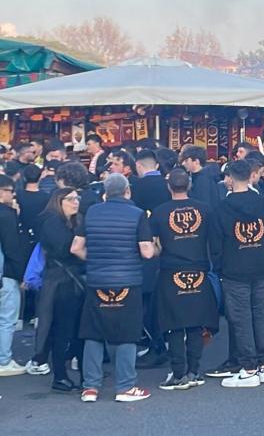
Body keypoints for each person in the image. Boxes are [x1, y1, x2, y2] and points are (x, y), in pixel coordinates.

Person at [70, 173, 157, 402]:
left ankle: (90, 387)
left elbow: (76, 248)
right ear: (128, 190)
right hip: (128, 282)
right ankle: (125, 386)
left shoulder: (91, 212)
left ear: (105, 193)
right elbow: (147, 251)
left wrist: (95, 259)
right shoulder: (137, 214)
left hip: (97, 281)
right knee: (128, 334)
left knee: (93, 333)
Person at [212, 159, 264, 389]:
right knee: (260, 314)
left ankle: (248, 366)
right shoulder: (263, 202)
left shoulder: (222, 208)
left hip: (234, 269)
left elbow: (216, 244)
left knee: (240, 318)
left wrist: (220, 267)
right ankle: (263, 364)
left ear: (230, 178)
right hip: (262, 265)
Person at [151, 169, 219, 389]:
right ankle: (193, 371)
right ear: (189, 185)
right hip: (198, 270)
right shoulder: (205, 209)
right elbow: (213, 241)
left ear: (168, 186)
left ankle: (178, 373)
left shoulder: (159, 212)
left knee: (173, 324)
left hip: (171, 271)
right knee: (196, 323)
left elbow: (155, 246)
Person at [34, 188, 86, 391]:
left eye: (77, 198)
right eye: (71, 199)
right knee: (62, 329)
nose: (76, 202)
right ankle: (60, 374)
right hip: (61, 281)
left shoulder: (74, 220)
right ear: (59, 201)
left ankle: (77, 373)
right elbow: (64, 248)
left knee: (75, 329)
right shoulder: (51, 221)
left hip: (72, 278)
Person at [0, 174, 24, 377]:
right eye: (9, 190)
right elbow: (12, 248)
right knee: (7, 318)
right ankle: (4, 359)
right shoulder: (6, 215)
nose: (13, 194)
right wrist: (21, 274)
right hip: (6, 273)